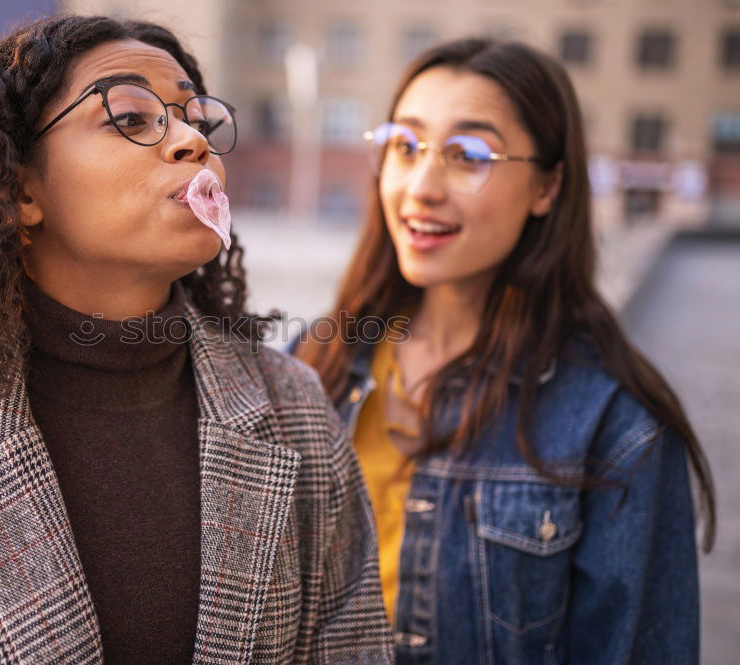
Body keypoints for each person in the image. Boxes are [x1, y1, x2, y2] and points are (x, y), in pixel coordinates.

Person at [0, 15, 392, 664]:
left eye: (198, 120)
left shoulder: (295, 410)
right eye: (131, 117)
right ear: (19, 187)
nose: (192, 141)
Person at [294, 37, 715, 665]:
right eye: (404, 147)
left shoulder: (616, 423)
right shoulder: (312, 364)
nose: (421, 188)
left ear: (547, 187)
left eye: (467, 155)